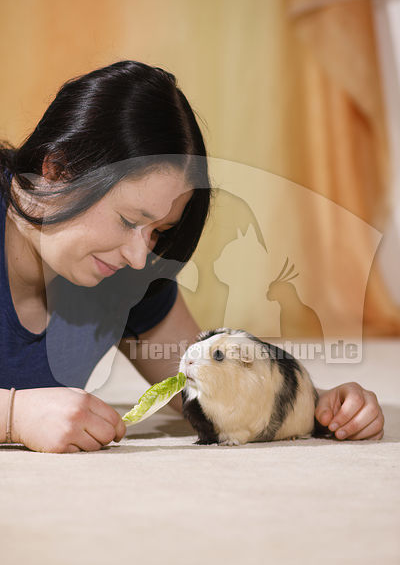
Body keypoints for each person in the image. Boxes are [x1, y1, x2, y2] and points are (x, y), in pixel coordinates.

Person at [0, 61, 384, 453]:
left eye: (158, 233)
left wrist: (319, 406)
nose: (138, 257)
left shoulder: (128, 274)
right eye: (129, 220)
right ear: (59, 169)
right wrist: (14, 416)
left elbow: (200, 385)